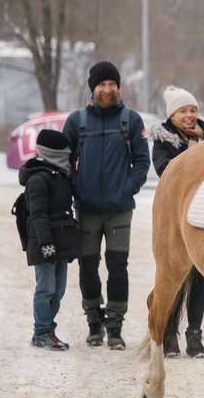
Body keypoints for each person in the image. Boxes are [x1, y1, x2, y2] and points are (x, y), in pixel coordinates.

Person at [62, 61, 151, 350]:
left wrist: (129, 187)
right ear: (93, 88)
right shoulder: (77, 121)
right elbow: (64, 160)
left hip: (119, 209)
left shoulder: (131, 120)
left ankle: (114, 327)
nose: (108, 89)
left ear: (118, 87)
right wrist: (75, 186)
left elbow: (142, 161)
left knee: (118, 267)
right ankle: (93, 324)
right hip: (86, 208)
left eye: (112, 84)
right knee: (88, 267)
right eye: (102, 84)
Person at [150, 85, 204, 358]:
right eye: (183, 111)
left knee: (200, 279)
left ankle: (194, 335)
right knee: (173, 277)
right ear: (172, 115)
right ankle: (168, 334)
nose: (189, 115)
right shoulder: (164, 139)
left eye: (193, 110)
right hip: (174, 214)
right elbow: (164, 171)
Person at [19, 129, 80, 351]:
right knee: (45, 288)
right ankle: (42, 332)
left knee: (59, 289)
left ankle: (48, 330)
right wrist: (46, 244)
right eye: (64, 151)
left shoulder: (60, 175)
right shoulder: (38, 179)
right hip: (45, 243)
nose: (68, 154)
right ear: (52, 152)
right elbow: (38, 215)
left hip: (61, 242)